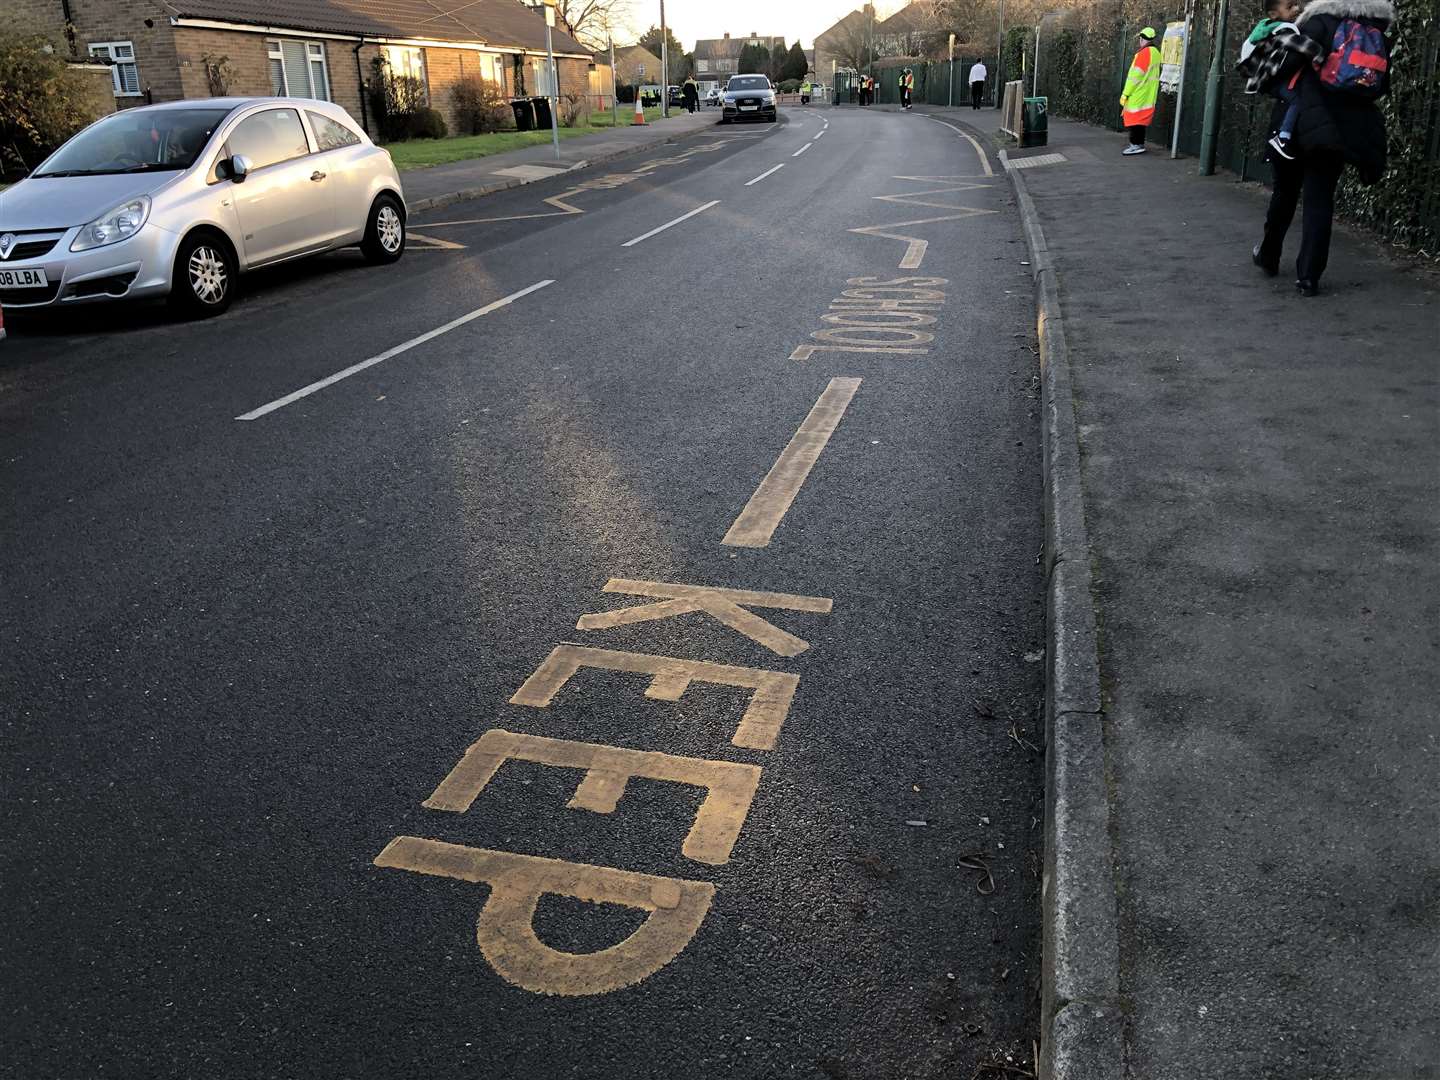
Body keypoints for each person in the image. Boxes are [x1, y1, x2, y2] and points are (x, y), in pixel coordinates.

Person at [1253, 0, 1392, 295]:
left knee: (1285, 191)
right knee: (1320, 199)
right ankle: (1309, 276)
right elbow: (1381, 85)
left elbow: (1284, 65)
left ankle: (1269, 253)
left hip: (1301, 123)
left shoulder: (1319, 23)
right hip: (1341, 132)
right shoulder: (1377, 32)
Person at [1236, 0, 1322, 160]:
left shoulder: (1265, 28)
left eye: (1296, 4)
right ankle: (1283, 137)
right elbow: (1301, 43)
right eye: (1290, 7)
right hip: (1273, 80)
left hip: (1263, 79)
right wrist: (1320, 55)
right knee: (1297, 101)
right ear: (1274, 14)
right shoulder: (1283, 30)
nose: (1297, 9)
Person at [1119, 26, 1161, 155]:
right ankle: (1140, 144)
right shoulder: (1156, 53)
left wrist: (1125, 94)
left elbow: (1134, 77)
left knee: (1134, 119)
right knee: (1141, 120)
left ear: (1142, 39)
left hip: (1138, 92)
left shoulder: (1143, 54)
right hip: (1149, 93)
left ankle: (1135, 145)